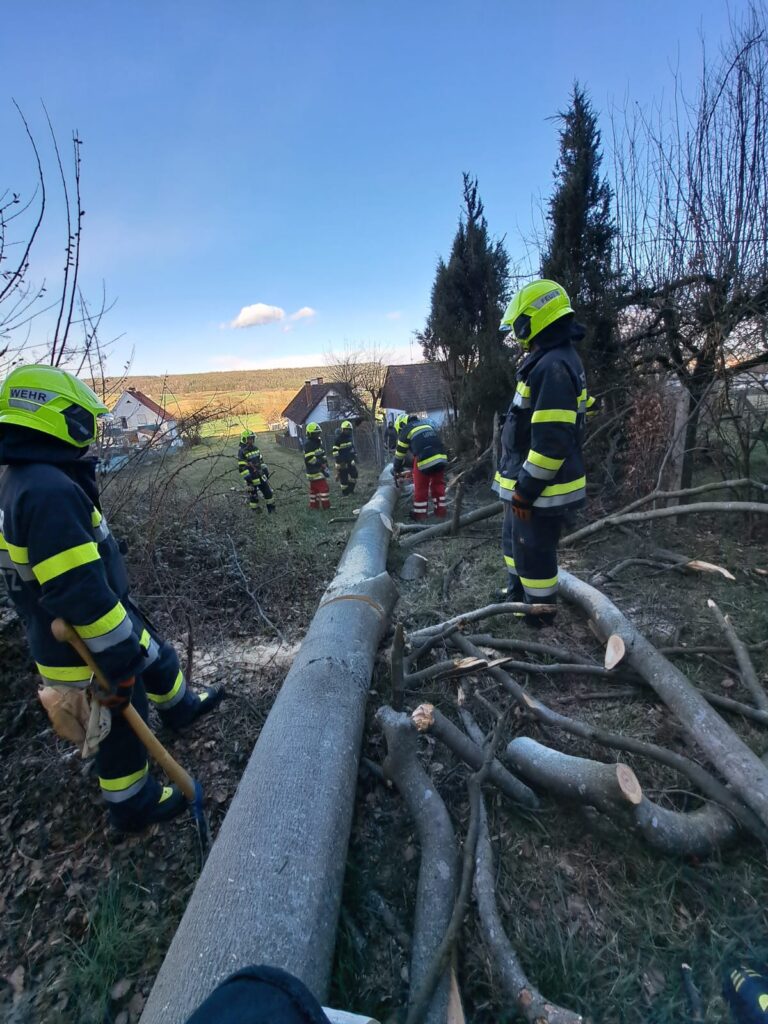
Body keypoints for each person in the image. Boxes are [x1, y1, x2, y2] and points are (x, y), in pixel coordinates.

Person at [0, 365, 224, 833]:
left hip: (101, 616)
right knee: (123, 719)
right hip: (83, 640)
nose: (93, 429)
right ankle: (132, 803)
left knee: (157, 655)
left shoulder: (32, 477)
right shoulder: (46, 491)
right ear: (55, 418)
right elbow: (77, 592)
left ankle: (180, 708)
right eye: (86, 419)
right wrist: (119, 664)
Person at [495, 279, 590, 626]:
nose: (517, 333)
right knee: (515, 543)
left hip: (542, 490)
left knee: (535, 553)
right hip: (526, 483)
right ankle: (516, 594)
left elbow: (551, 440)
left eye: (518, 324)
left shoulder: (552, 366)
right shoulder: (550, 361)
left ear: (534, 318)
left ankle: (539, 617)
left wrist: (526, 490)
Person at [392, 412, 447, 521]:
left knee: (421, 487)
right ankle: (441, 513)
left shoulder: (406, 430)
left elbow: (399, 455)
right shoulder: (426, 424)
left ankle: (420, 516)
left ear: (401, 425)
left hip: (424, 458)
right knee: (438, 485)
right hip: (441, 456)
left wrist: (396, 469)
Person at [237, 430, 275, 513]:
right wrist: (248, 478)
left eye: (252, 438)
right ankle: (256, 511)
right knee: (253, 496)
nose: (251, 440)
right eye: (249, 439)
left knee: (268, 492)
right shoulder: (242, 451)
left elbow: (261, 461)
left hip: (260, 475)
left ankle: (271, 509)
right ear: (244, 439)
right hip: (251, 478)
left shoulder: (256, 449)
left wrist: (265, 470)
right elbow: (242, 467)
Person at [303, 421, 331, 510]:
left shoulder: (317, 443)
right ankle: (326, 506)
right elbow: (309, 459)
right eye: (316, 433)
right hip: (315, 471)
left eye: (318, 433)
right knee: (324, 489)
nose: (318, 435)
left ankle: (313, 506)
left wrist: (325, 464)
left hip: (316, 471)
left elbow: (321, 455)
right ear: (310, 434)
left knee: (314, 490)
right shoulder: (309, 444)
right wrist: (321, 464)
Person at [331, 419, 358, 497]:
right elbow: (335, 452)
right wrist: (340, 461)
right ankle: (345, 493)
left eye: (350, 430)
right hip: (342, 463)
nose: (349, 431)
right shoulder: (338, 439)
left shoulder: (349, 439)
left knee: (354, 475)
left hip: (350, 461)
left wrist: (354, 456)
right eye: (347, 430)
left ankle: (351, 489)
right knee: (344, 478)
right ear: (343, 429)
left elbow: (352, 449)